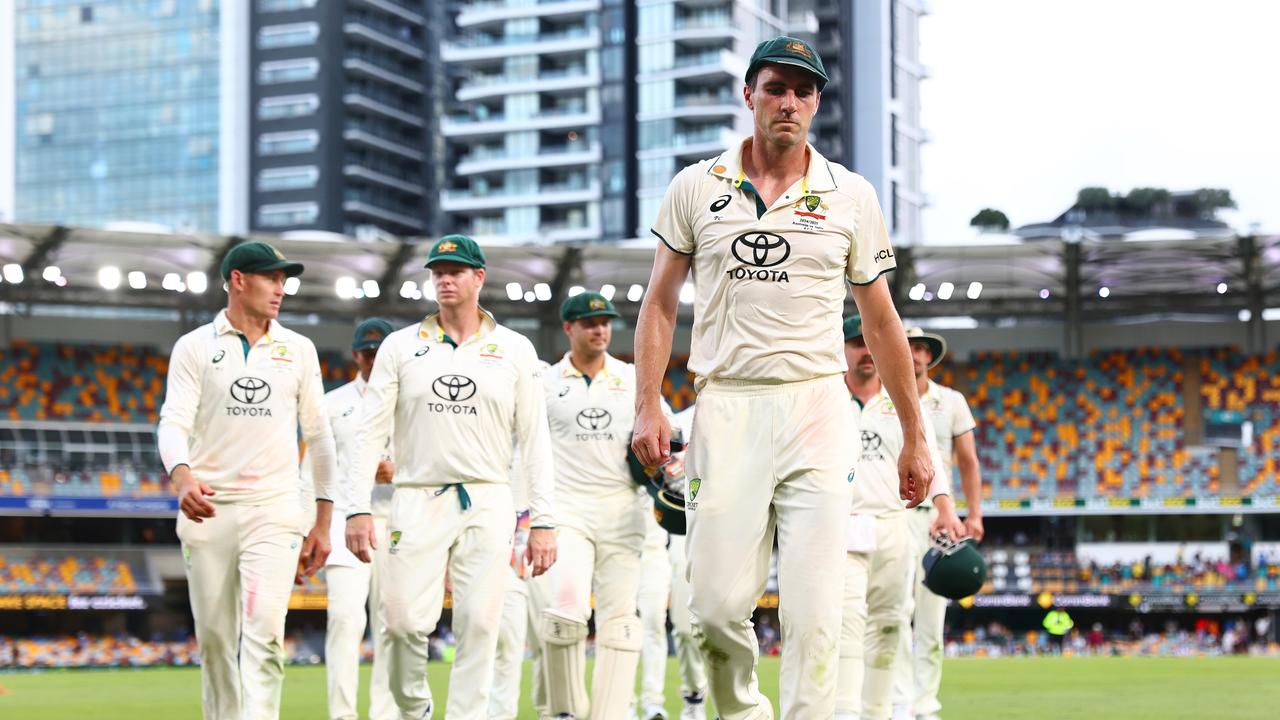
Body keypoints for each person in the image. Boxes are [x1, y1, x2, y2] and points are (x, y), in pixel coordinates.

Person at [631, 35, 933, 719]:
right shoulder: (694, 187)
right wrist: (648, 405)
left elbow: (882, 323)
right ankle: (742, 711)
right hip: (727, 406)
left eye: (802, 91)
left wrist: (916, 434)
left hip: (816, 409)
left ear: (817, 103)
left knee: (816, 611)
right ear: (749, 95)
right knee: (709, 610)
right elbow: (659, 304)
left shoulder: (850, 195)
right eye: (775, 87)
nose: (788, 102)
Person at [344, 235, 557, 720]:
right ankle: (415, 708)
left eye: (456, 270)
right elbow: (366, 433)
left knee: (481, 626)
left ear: (478, 277)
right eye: (437, 271)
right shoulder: (400, 347)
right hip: (416, 497)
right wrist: (357, 507)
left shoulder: (514, 349)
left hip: (488, 498)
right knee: (399, 625)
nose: (444, 278)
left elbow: (535, 441)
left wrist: (543, 521)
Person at [158, 241, 337, 719]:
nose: (281, 288)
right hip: (209, 510)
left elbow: (319, 439)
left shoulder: (299, 350)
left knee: (264, 634)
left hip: (274, 511)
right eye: (271, 278)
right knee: (216, 642)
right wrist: (182, 478)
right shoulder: (194, 346)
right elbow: (173, 422)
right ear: (239, 280)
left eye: (284, 280)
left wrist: (322, 522)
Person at [529, 291, 649, 720]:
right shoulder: (543, 383)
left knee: (621, 621)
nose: (599, 329)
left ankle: (610, 715)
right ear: (568, 328)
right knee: (565, 613)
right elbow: (524, 449)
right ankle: (565, 712)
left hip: (622, 508)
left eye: (605, 322)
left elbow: (665, 437)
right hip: (566, 509)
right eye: (588, 322)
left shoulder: (635, 378)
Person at [838, 316, 965, 720]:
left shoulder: (902, 397)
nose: (865, 351)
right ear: (842, 348)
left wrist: (945, 506)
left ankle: (878, 711)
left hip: (893, 523)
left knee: (891, 622)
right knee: (845, 620)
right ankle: (843, 711)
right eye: (856, 343)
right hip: (839, 525)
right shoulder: (823, 395)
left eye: (869, 342)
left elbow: (930, 455)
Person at [300, 318, 397, 720]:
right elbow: (310, 472)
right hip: (342, 517)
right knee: (344, 618)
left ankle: (386, 712)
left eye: (380, 353)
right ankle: (342, 714)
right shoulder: (333, 403)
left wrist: (398, 469)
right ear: (356, 355)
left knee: (395, 622)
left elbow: (435, 461)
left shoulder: (412, 401)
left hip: (398, 519)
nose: (374, 360)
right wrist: (308, 528)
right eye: (368, 353)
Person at [889, 326, 983, 720]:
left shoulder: (952, 401)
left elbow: (967, 461)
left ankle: (925, 704)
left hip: (937, 517)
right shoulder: (885, 396)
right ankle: (897, 700)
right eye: (906, 346)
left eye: (920, 348)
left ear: (929, 357)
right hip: (894, 512)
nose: (913, 354)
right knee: (893, 609)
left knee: (931, 617)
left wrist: (973, 513)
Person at [635, 404, 709, 720]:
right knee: (665, 623)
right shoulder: (677, 421)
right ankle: (670, 700)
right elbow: (652, 477)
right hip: (675, 530)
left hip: (716, 527)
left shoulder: (740, 412)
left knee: (700, 624)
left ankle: (700, 698)